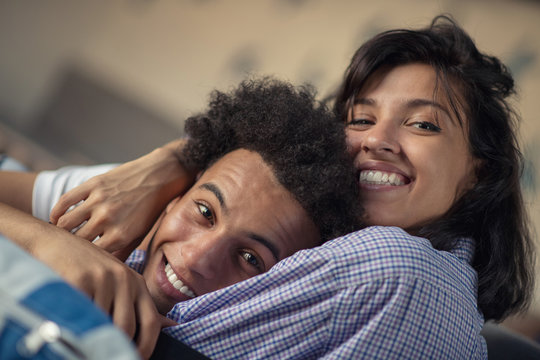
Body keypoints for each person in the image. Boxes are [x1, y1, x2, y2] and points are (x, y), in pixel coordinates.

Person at [7, 14, 536, 359]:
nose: (379, 140)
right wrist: (179, 162)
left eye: (423, 124)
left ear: (478, 171)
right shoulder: (216, 186)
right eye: (359, 118)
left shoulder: (397, 272)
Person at [0, 77, 361, 358]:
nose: (195, 259)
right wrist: (47, 241)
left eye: (250, 258)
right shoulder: (107, 209)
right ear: (176, 194)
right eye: (205, 212)